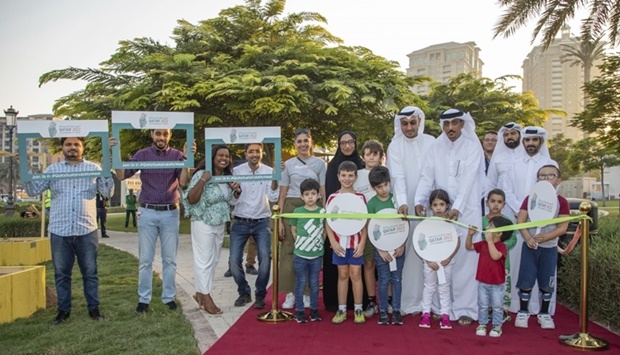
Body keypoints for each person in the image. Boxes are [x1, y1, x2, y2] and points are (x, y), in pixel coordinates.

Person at [24, 137, 114, 325]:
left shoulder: (93, 168)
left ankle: (94, 309)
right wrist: (25, 167)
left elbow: (107, 192)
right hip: (59, 230)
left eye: (76, 144)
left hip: (86, 229)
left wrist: (107, 166)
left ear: (82, 147)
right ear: (63, 148)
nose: (72, 148)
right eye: (68, 144)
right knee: (61, 273)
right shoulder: (52, 170)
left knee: (90, 272)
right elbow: (33, 190)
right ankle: (63, 311)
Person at [415, 108, 485, 326]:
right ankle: (438, 307)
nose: (450, 128)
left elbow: (468, 181)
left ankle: (465, 309)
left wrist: (459, 208)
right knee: (439, 255)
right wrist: (420, 199)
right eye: (446, 124)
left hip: (467, 212)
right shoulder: (436, 147)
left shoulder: (473, 147)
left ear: (462, 124)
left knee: (465, 260)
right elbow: (427, 176)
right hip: (441, 212)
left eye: (455, 123)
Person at [110, 129, 192, 314]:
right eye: (157, 134)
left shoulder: (177, 155)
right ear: (152, 135)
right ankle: (143, 299)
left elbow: (184, 182)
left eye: (165, 134)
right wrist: (116, 152)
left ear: (169, 135)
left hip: (170, 213)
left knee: (169, 260)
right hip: (147, 212)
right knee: (145, 260)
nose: (161, 137)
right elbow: (122, 175)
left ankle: (169, 298)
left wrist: (187, 159)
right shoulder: (142, 154)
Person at [498, 126, 558, 314]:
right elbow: (506, 189)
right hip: (519, 220)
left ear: (540, 142)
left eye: (534, 140)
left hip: (544, 224)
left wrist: (537, 214)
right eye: (527, 140)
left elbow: (552, 193)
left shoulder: (550, 164)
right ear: (523, 142)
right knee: (518, 263)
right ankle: (517, 305)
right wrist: (520, 211)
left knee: (543, 265)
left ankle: (541, 308)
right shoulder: (514, 164)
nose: (530, 143)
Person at [386, 106, 435, 315]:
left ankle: (432, 303)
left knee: (430, 250)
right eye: (404, 123)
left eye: (413, 123)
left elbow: (432, 172)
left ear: (420, 122)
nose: (409, 127)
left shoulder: (431, 142)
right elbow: (397, 176)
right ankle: (408, 302)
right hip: (405, 208)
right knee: (408, 253)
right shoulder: (395, 145)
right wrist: (403, 202)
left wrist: (424, 200)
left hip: (430, 206)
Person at [182, 144, 239, 315]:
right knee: (204, 261)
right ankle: (206, 298)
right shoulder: (201, 174)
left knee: (213, 261)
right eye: (220, 155)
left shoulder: (227, 177)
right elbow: (191, 198)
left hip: (219, 222)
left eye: (227, 156)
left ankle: (199, 293)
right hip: (203, 221)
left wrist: (236, 191)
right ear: (212, 158)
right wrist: (203, 180)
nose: (224, 158)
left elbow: (230, 201)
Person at [514, 165, 569, 330]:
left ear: (558, 180)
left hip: (549, 248)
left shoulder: (561, 202)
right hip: (530, 247)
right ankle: (523, 311)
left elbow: (562, 227)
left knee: (547, 281)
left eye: (550, 175)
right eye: (541, 176)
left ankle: (544, 313)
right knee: (526, 279)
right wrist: (528, 238)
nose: (545, 179)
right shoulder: (530, 198)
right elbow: (520, 221)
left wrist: (545, 237)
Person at [278, 128, 326, 310]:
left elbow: (323, 190)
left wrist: (325, 213)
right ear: (294, 144)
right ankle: (291, 293)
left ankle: (306, 293)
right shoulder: (288, 165)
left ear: (311, 142)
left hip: (314, 209)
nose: (303, 144)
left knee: (310, 250)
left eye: (306, 140)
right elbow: (282, 193)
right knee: (291, 251)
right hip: (292, 207)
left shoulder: (319, 163)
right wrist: (281, 219)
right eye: (299, 141)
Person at [230, 143, 279, 309]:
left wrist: (274, 180)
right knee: (234, 261)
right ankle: (244, 292)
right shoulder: (236, 172)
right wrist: (236, 192)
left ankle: (260, 294)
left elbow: (273, 196)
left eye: (257, 151)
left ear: (261, 153)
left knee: (265, 259)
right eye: (251, 151)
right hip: (240, 220)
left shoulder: (268, 171)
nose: (254, 154)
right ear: (245, 154)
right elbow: (231, 200)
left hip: (261, 220)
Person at [323, 130, 366, 312]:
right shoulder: (333, 167)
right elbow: (328, 210)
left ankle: (357, 306)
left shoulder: (363, 167)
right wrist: (331, 238)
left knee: (356, 273)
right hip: (338, 237)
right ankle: (338, 306)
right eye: (343, 143)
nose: (347, 145)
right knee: (340, 273)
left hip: (356, 238)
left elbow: (364, 217)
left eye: (350, 142)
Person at [366, 166, 405, 325]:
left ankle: (396, 310)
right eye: (379, 187)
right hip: (381, 250)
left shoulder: (397, 200)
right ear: (373, 188)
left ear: (390, 183)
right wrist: (380, 249)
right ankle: (383, 311)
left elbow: (404, 225)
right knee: (383, 280)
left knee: (396, 280)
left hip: (398, 248)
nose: (383, 189)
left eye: (385, 185)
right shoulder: (372, 204)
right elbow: (370, 228)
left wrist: (402, 245)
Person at [418, 189, 460, 330]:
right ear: (431, 206)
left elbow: (457, 241)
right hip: (429, 263)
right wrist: (428, 261)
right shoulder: (426, 223)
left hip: (446, 262)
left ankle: (445, 315)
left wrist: (449, 257)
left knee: (444, 288)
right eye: (435, 205)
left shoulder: (451, 222)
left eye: (442, 204)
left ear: (447, 205)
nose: (438, 208)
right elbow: (420, 243)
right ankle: (425, 314)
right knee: (429, 287)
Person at [466, 216, 514, 338]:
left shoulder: (502, 246)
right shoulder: (483, 244)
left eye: (490, 226)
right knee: (482, 305)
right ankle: (482, 324)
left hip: (497, 283)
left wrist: (490, 242)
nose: (486, 228)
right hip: (483, 281)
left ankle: (497, 326)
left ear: (499, 233)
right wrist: (470, 235)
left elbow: (495, 256)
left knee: (497, 306)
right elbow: (469, 246)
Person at [355, 140, 385, 318]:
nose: (372, 157)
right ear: (363, 157)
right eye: (368, 154)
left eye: (375, 154)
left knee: (385, 264)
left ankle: (388, 301)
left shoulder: (385, 174)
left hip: (383, 226)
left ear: (381, 157)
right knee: (368, 263)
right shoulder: (357, 175)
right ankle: (371, 301)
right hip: (364, 226)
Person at [290, 178, 325, 323]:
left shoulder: (323, 212)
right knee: (301, 282)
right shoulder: (297, 211)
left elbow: (325, 230)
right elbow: (293, 229)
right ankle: (299, 310)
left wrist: (320, 242)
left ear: (318, 195)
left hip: (316, 255)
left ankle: (314, 309)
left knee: (314, 283)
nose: (310, 197)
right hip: (300, 255)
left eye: (313, 193)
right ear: (301, 196)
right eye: (307, 194)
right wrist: (300, 242)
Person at [482, 189, 517, 322]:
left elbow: (513, 239)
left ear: (504, 204)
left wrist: (500, 248)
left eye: (499, 202)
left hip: (503, 263)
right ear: (487, 203)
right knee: (486, 287)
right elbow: (481, 239)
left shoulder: (507, 221)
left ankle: (503, 311)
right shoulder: (483, 221)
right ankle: (489, 310)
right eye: (492, 201)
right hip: (486, 263)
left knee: (503, 287)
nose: (495, 205)